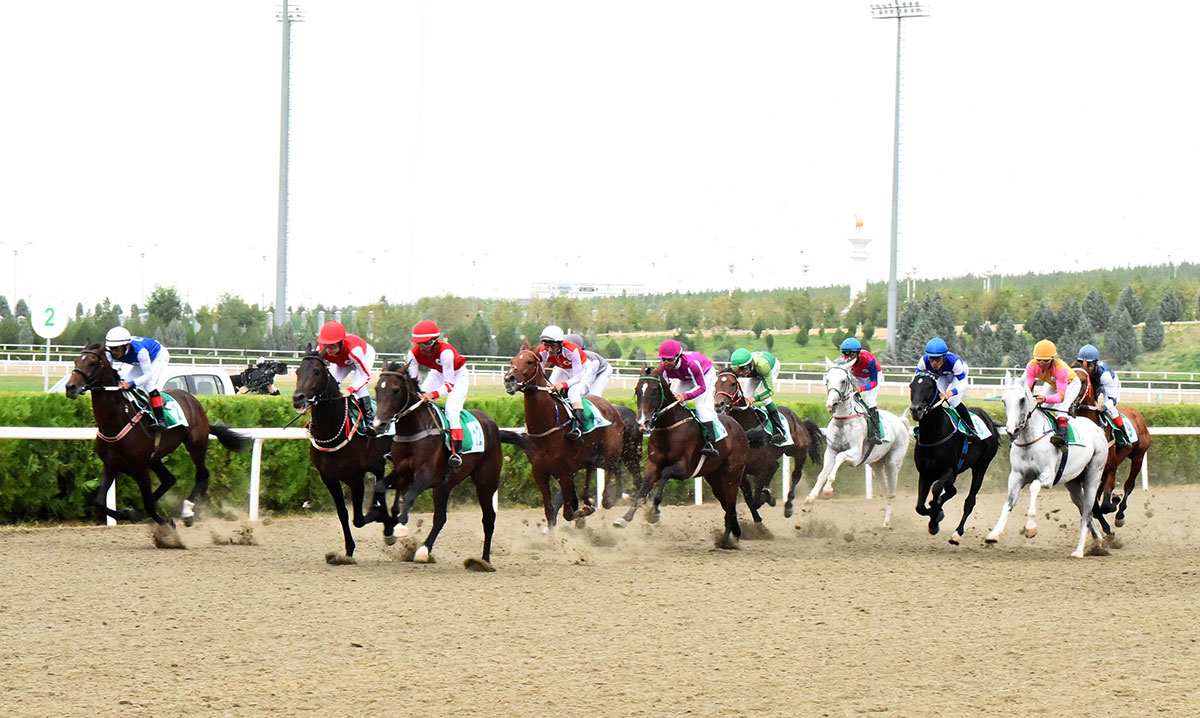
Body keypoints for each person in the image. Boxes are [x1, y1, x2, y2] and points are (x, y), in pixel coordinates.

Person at [406, 319, 469, 467]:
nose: (423, 348)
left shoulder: (446, 352)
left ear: (435, 341)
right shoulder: (412, 354)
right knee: (417, 404)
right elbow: (413, 382)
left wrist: (432, 395)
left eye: (426, 344)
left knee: (451, 410)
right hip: (436, 373)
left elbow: (449, 385)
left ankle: (456, 452)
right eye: (419, 344)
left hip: (457, 376)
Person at [657, 339, 720, 457]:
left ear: (678, 356)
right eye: (664, 360)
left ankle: (712, 443)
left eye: (670, 360)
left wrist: (685, 396)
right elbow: (664, 390)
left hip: (706, 374)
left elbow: (701, 387)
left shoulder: (692, 364)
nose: (667, 363)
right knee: (674, 404)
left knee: (701, 406)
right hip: (686, 377)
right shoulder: (663, 367)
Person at [317, 320, 378, 435]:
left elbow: (366, 376)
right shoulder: (320, 350)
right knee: (332, 384)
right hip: (342, 361)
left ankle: (369, 423)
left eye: (333, 346)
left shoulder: (355, 351)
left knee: (358, 386)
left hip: (364, 355)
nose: (329, 350)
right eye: (326, 346)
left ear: (341, 343)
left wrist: (350, 390)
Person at [104, 326, 170, 430]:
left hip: (157, 356)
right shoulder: (109, 352)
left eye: (118, 348)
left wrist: (130, 384)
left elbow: (148, 376)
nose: (115, 352)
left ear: (127, 345)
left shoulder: (140, 351)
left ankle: (161, 420)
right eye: (112, 349)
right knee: (125, 381)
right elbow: (109, 371)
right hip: (141, 362)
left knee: (149, 384)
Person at [914, 337, 981, 439]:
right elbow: (916, 380)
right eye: (931, 359)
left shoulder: (954, 362)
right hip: (943, 376)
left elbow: (964, 384)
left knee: (953, 400)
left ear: (944, 357)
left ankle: (971, 428)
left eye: (938, 359)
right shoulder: (923, 360)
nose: (934, 363)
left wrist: (951, 392)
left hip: (956, 375)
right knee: (934, 399)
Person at [1024, 339, 1082, 452]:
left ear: (1052, 359)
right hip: (1051, 382)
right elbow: (1027, 389)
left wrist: (1046, 398)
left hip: (1071, 383)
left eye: (1045, 361)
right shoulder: (1031, 366)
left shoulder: (1061, 369)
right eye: (1038, 360)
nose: (1040, 364)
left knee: (1061, 408)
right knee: (1038, 406)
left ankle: (1061, 436)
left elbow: (1060, 397)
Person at [534, 325, 589, 440]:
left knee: (573, 392)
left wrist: (561, 385)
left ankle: (577, 428)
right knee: (549, 391)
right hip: (563, 368)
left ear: (560, 344)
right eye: (546, 345)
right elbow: (541, 372)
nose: (549, 350)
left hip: (583, 369)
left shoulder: (572, 350)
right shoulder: (543, 351)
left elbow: (577, 377)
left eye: (552, 346)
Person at [1077, 343, 1130, 448]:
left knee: (1110, 409)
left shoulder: (1105, 375)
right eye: (1082, 364)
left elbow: (1113, 400)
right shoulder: (1079, 372)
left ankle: (1124, 437)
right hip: (1093, 384)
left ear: (1096, 364)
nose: (1086, 368)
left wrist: (1103, 407)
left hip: (1107, 384)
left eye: (1089, 365)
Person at [730, 347, 785, 442]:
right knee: (745, 398)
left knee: (765, 399)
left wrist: (754, 399)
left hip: (771, 367)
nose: (741, 373)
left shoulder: (763, 366)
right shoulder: (742, 367)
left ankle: (779, 429)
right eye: (739, 370)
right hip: (754, 372)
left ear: (751, 364)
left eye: (744, 370)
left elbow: (770, 391)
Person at [839, 337, 882, 445]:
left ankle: (876, 432)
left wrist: (860, 389)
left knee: (869, 401)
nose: (849, 359)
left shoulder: (870, 361)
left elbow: (874, 383)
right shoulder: (843, 360)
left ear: (858, 354)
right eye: (846, 355)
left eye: (852, 355)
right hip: (857, 377)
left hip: (873, 377)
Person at [565, 333, 613, 398]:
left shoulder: (590, 362)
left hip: (602, 371)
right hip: (593, 368)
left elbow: (585, 384)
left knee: (592, 396)